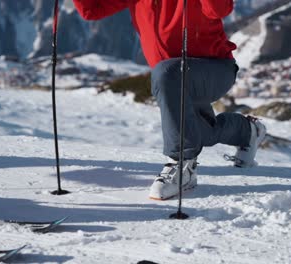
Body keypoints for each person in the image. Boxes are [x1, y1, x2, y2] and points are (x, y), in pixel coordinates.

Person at [73, 0, 267, 200]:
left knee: (167, 77)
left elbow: (219, 9)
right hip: (173, 78)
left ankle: (182, 165)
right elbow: (91, 10)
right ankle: (247, 131)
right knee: (194, 131)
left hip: (214, 69)